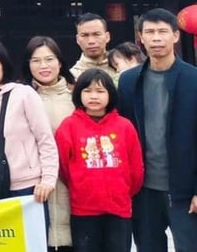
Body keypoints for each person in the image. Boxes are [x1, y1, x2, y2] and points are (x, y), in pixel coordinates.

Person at [118, 8, 197, 252]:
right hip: (143, 191)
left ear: (176, 36)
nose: (156, 38)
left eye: (163, 32)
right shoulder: (129, 81)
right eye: (150, 32)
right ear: (140, 38)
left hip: (185, 190)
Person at [0, 38, 59, 214]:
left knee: (30, 241)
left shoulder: (24, 94)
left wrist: (48, 180)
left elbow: (45, 140)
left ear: (3, 64)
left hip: (28, 188)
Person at [56, 69, 143, 252]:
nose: (93, 96)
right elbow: (63, 167)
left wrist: (123, 191)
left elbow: (136, 169)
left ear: (110, 95)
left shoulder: (124, 126)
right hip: (83, 209)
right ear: (79, 94)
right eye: (87, 91)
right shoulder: (69, 126)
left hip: (119, 208)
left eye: (100, 91)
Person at [25, 36, 76, 252]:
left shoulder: (78, 96)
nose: (43, 66)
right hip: (36, 185)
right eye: (36, 61)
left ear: (60, 62)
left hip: (72, 182)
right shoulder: (21, 96)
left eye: (49, 59)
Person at [70, 14, 117, 82]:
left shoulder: (122, 69)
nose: (91, 41)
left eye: (96, 34)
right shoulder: (72, 76)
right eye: (84, 35)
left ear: (107, 37)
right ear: (77, 39)